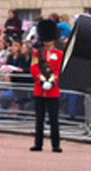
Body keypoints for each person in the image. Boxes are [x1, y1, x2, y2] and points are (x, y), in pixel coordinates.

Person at [30, 19, 63, 153]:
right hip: (40, 90)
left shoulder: (59, 54)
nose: (47, 43)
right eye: (46, 40)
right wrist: (42, 79)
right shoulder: (38, 53)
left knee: (54, 119)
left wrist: (53, 81)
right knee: (39, 119)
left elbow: (59, 70)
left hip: (53, 91)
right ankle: (38, 144)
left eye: (49, 40)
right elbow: (34, 68)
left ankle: (56, 145)